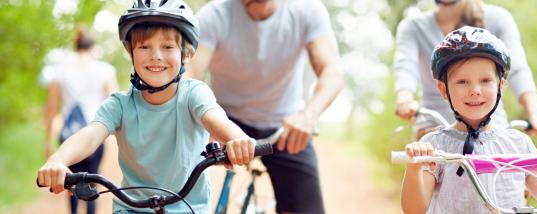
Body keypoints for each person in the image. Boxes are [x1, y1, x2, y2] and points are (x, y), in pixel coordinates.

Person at [37, 0, 257, 213]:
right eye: (144, 46)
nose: (156, 56)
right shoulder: (120, 105)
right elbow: (90, 134)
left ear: (186, 54)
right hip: (131, 209)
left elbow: (215, 118)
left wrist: (236, 139)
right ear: (131, 52)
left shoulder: (193, 94)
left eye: (168, 46)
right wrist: (58, 160)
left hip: (189, 207)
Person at [400, 26, 537, 214]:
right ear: (443, 89)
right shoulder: (435, 146)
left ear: (501, 85)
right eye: (462, 81)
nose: (475, 90)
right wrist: (414, 167)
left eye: (485, 80)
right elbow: (414, 210)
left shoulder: (518, 144)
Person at [188, 0, 344, 213]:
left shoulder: (307, 10)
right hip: (225, 121)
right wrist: (205, 118)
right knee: (173, 186)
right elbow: (190, 76)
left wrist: (308, 115)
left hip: (284, 126)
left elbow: (332, 70)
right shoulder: (213, 16)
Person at [394, 0, 537, 137]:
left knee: (508, 164)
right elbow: (406, 66)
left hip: (489, 122)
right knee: (427, 162)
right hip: (434, 124)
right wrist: (404, 99)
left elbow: (517, 68)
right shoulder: (414, 26)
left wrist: (535, 114)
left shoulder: (497, 19)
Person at [42, 24, 119, 214]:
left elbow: (52, 108)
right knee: (93, 183)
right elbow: (115, 104)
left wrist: (47, 141)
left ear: (75, 46)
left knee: (71, 185)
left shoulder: (59, 70)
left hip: (69, 136)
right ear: (92, 47)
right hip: (94, 134)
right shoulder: (105, 70)